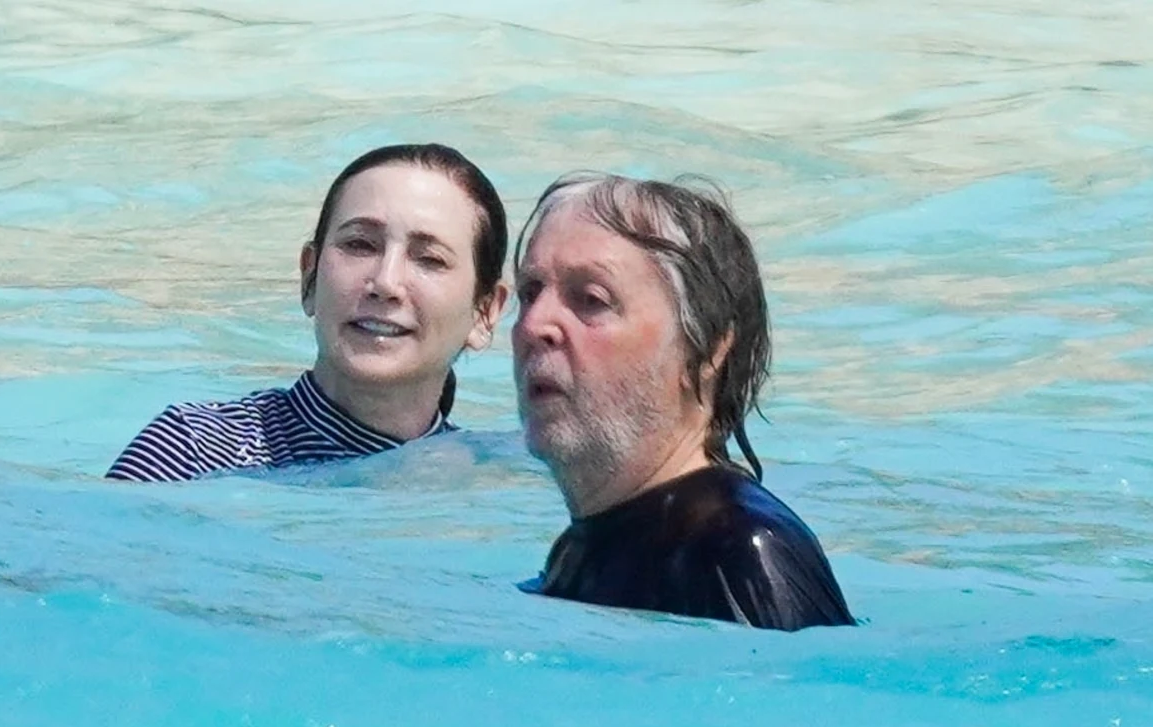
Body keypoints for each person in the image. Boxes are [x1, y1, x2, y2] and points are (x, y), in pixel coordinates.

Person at [511, 172, 855, 631]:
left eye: (591, 300)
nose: (534, 325)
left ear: (707, 348)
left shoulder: (739, 550)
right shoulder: (580, 550)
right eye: (531, 292)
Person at [106, 143, 510, 482]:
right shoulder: (194, 454)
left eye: (429, 259)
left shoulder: (493, 485)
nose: (386, 282)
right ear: (309, 277)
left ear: (484, 313)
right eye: (360, 245)